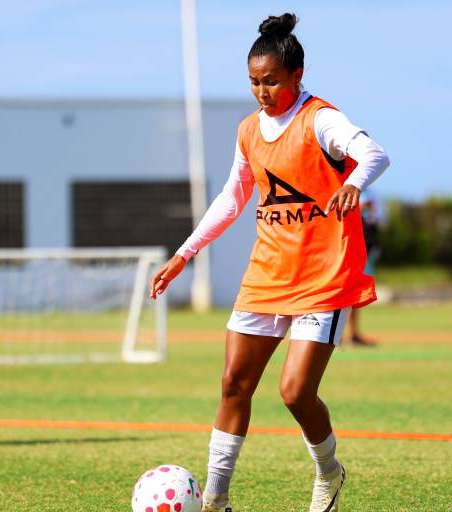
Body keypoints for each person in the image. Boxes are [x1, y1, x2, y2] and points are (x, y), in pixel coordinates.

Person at [149, 13, 389, 512]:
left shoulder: (319, 119)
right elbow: (231, 199)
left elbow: (373, 153)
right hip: (267, 275)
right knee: (234, 385)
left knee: (295, 393)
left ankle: (329, 472)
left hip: (323, 276)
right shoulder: (248, 131)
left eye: (272, 81)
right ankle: (216, 499)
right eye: (254, 82)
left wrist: (351, 183)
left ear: (297, 75)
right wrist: (183, 253)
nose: (262, 91)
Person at [345, 187, 386, 346]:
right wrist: (361, 207)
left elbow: (379, 217)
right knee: (345, 291)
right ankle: (341, 334)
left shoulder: (369, 191)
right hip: (348, 246)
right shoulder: (345, 186)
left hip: (364, 247)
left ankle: (353, 333)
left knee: (354, 293)